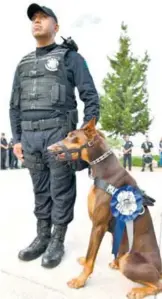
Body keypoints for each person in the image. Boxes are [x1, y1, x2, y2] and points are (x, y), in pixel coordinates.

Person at [9, 3, 99, 268]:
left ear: (55, 27)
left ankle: (57, 240)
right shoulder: (23, 63)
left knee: (60, 189)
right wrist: (17, 139)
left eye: (43, 18)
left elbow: (90, 97)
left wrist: (83, 135)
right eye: (33, 19)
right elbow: (15, 105)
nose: (37, 22)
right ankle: (42, 237)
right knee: (40, 190)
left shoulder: (70, 58)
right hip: (30, 137)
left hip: (59, 134)